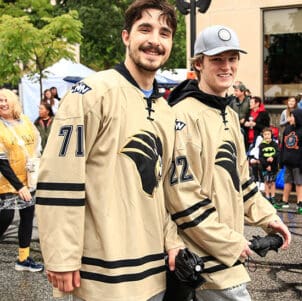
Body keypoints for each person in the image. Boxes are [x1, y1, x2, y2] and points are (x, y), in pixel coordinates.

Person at [35, 1, 184, 301]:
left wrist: (172, 240)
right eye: (145, 29)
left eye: (164, 33)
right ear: (126, 36)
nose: (155, 40)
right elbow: (59, 180)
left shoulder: (166, 111)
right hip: (104, 277)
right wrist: (62, 257)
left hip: (154, 274)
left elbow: (164, 189)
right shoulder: (90, 94)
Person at [164, 24, 291, 300]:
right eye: (217, 59)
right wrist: (232, 242)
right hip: (204, 265)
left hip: (227, 259)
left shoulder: (230, 115)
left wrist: (269, 218)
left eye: (232, 58)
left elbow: (243, 183)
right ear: (199, 63)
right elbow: (182, 199)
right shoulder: (182, 115)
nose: (227, 66)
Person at [0, 88, 43, 272]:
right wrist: (18, 186)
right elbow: (0, 161)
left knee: (27, 217)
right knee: (6, 216)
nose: (2, 103)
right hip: (6, 180)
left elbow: (37, 143)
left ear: (13, 101)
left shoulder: (25, 120)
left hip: (29, 178)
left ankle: (23, 259)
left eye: (5, 100)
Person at [274, 109, 302, 214]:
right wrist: (281, 160)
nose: (290, 118)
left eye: (292, 116)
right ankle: (284, 201)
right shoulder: (287, 129)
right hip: (288, 161)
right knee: (287, 182)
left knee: (299, 183)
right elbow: (283, 147)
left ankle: (300, 203)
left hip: (298, 163)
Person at [259, 127, 279, 204]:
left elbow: (278, 153)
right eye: (265, 134)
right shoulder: (261, 145)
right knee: (267, 182)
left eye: (268, 134)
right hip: (265, 167)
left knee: (273, 182)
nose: (267, 136)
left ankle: (273, 196)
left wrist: (272, 157)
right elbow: (260, 157)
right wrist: (266, 165)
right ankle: (267, 196)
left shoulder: (275, 144)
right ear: (263, 136)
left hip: (274, 166)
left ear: (271, 135)